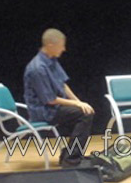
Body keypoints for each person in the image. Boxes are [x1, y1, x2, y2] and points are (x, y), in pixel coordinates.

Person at [24, 28, 95, 167]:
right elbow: (50, 100)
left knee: (84, 110)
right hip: (43, 111)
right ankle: (71, 159)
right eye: (61, 46)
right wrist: (77, 105)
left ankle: (69, 155)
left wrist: (79, 102)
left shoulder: (52, 60)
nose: (64, 49)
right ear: (50, 45)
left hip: (52, 107)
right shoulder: (37, 68)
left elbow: (62, 84)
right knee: (84, 115)